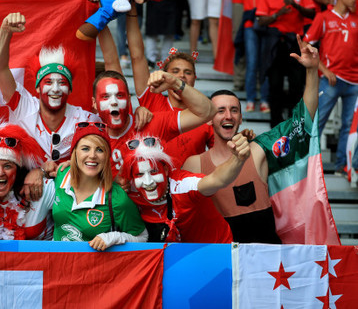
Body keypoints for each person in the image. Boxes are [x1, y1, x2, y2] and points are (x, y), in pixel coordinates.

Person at [183, 35, 320, 243]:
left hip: (266, 262)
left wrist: (311, 70)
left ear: (240, 117)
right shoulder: (193, 164)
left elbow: (302, 121)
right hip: (220, 263)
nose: (228, 115)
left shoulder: (257, 151)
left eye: (234, 110)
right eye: (220, 111)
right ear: (208, 119)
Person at [0, 12, 100, 162]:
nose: (55, 89)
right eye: (48, 82)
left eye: (62, 83)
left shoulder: (85, 119)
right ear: (38, 88)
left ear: (70, 89)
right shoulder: (24, 106)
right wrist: (5, 31)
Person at [125, 3, 215, 169]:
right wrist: (132, 13)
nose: (181, 76)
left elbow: (220, 156)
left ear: (194, 78)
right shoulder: (152, 100)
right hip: (153, 185)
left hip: (189, 190)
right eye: (175, 71)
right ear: (165, 76)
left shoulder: (206, 112)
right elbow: (137, 56)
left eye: (187, 73)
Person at [119, 133, 251, 243]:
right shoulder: (129, 193)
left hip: (214, 250)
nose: (148, 182)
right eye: (140, 174)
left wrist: (237, 159)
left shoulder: (181, 185)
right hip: (175, 258)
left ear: (165, 170)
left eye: (154, 172)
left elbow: (217, 179)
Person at [52, 121, 147, 250]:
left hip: (92, 268)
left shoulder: (118, 199)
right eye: (85, 148)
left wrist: (115, 237)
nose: (92, 155)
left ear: (107, 156)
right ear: (75, 153)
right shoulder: (61, 175)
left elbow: (143, 237)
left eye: (100, 150)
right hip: (57, 264)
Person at [304, 0, 358, 176]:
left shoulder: (356, 18)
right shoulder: (324, 17)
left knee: (349, 126)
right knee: (318, 123)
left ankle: (342, 167)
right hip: (331, 79)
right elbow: (306, 46)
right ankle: (309, 166)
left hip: (354, 82)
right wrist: (324, 70)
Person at [256, 0, 315, 127]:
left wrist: (296, 6)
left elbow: (312, 14)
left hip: (294, 43)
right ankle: (275, 123)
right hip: (274, 43)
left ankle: (294, 122)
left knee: (296, 84)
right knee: (275, 84)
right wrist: (278, 14)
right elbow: (260, 20)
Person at [0, 122, 55, 240]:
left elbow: (78, 189)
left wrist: (43, 170)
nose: (0, 172)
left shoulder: (38, 188)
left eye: (7, 166)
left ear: (18, 170)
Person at [227, 0, 276, 113]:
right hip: (250, 26)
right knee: (252, 62)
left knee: (266, 64)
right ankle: (249, 99)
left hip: (268, 25)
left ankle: (264, 100)